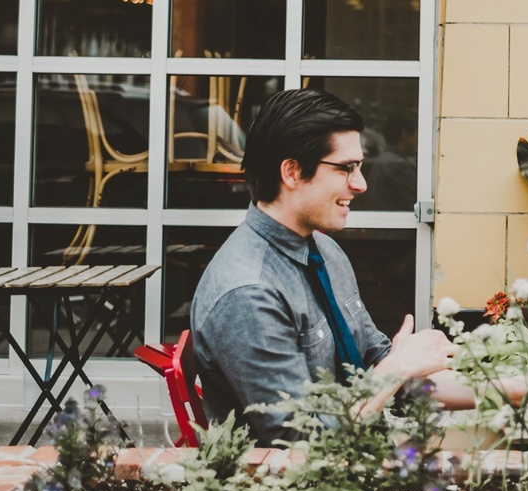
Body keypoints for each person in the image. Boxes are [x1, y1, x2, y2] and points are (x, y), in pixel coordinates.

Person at [190, 89, 460, 445]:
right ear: (292, 171)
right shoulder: (247, 293)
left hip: (360, 460)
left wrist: (522, 388)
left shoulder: (325, 252)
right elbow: (304, 442)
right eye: (346, 168)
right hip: (295, 490)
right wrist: (396, 369)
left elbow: (378, 365)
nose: (361, 184)